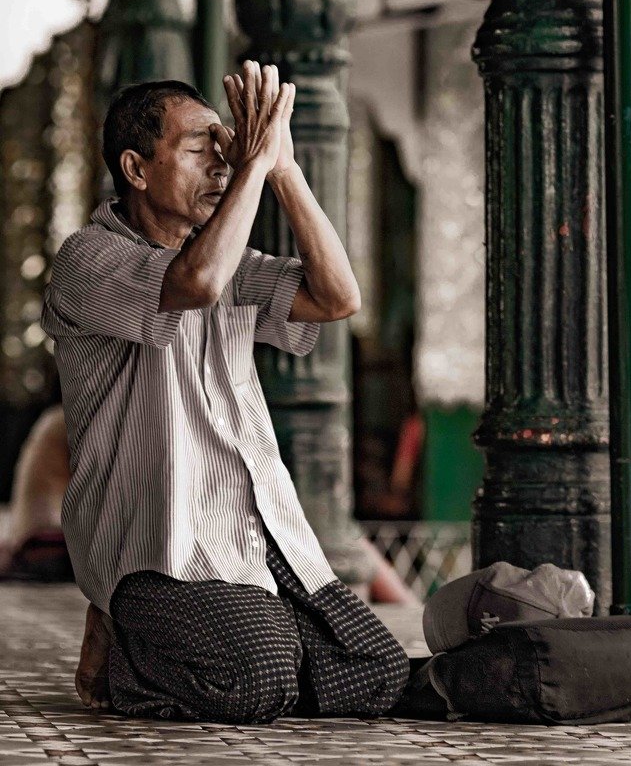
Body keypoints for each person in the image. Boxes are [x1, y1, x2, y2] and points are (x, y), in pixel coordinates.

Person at [41, 61, 412, 723]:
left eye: (226, 150)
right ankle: (126, 641)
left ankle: (259, 637)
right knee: (259, 677)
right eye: (197, 150)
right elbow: (198, 284)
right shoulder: (87, 260)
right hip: (152, 545)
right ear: (135, 168)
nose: (220, 164)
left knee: (376, 674)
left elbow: (338, 297)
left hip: (252, 531)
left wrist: (282, 169)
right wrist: (250, 168)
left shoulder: (229, 259)